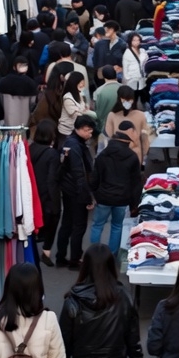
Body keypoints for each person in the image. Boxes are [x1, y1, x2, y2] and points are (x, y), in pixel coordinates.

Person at [89, 128, 142, 256]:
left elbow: (95, 178)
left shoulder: (103, 155)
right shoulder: (132, 157)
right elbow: (136, 183)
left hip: (103, 197)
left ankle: (94, 254)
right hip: (122, 199)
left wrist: (94, 195)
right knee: (117, 226)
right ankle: (112, 255)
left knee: (97, 225)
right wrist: (134, 204)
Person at [56, 114, 95, 268]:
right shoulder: (76, 146)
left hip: (68, 189)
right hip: (76, 190)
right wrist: (87, 197)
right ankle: (75, 259)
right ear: (79, 129)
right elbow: (80, 173)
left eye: (91, 130)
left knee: (67, 223)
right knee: (78, 226)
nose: (89, 133)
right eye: (87, 130)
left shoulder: (69, 143)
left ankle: (61, 257)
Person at [30, 119, 60, 268]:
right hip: (46, 196)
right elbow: (51, 180)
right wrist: (55, 203)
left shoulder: (30, 148)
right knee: (52, 223)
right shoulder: (52, 154)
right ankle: (46, 251)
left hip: (31, 193)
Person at [105, 89, 151, 165]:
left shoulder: (112, 115)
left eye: (130, 99)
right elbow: (144, 136)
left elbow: (109, 135)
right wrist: (144, 152)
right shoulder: (140, 115)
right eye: (125, 99)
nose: (128, 102)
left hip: (121, 154)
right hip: (132, 153)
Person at [0, 58, 38, 128]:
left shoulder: (3, 82)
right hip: (25, 123)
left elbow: (0, 100)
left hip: (8, 122)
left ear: (14, 67)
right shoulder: (31, 83)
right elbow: (33, 103)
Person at [58, 70, 87, 140]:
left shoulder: (79, 94)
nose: (83, 85)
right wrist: (86, 112)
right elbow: (76, 114)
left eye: (83, 82)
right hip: (66, 131)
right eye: (81, 82)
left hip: (74, 129)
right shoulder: (67, 98)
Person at [93, 65, 121, 133]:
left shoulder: (99, 91)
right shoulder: (124, 88)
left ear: (103, 76)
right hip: (122, 123)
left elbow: (98, 113)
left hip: (105, 126)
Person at [121, 32, 148, 104]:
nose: (136, 42)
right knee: (133, 98)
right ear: (130, 41)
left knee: (143, 95)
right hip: (132, 78)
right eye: (134, 40)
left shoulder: (142, 51)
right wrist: (127, 79)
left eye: (138, 40)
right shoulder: (127, 53)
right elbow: (125, 68)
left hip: (141, 77)